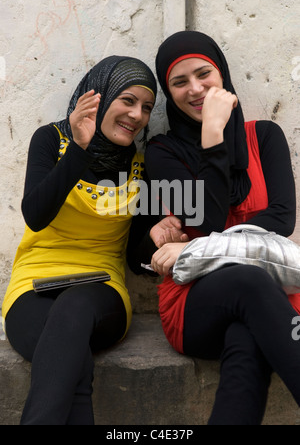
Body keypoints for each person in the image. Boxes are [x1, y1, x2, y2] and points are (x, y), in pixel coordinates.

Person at [145, 31, 300, 425]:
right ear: (169, 91)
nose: (195, 89)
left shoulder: (264, 136)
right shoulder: (163, 152)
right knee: (249, 281)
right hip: (194, 301)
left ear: (222, 75)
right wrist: (212, 135)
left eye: (203, 74)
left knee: (247, 341)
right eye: (179, 82)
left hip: (268, 295)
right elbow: (207, 219)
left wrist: (196, 247)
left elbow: (281, 220)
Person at [2, 55, 158, 425]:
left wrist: (157, 237)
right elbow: (36, 216)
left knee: (72, 311)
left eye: (147, 107)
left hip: (102, 291)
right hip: (33, 285)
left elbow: (138, 262)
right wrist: (79, 148)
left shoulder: (139, 166)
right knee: (73, 364)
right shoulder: (50, 140)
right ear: (98, 97)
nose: (137, 115)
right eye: (128, 100)